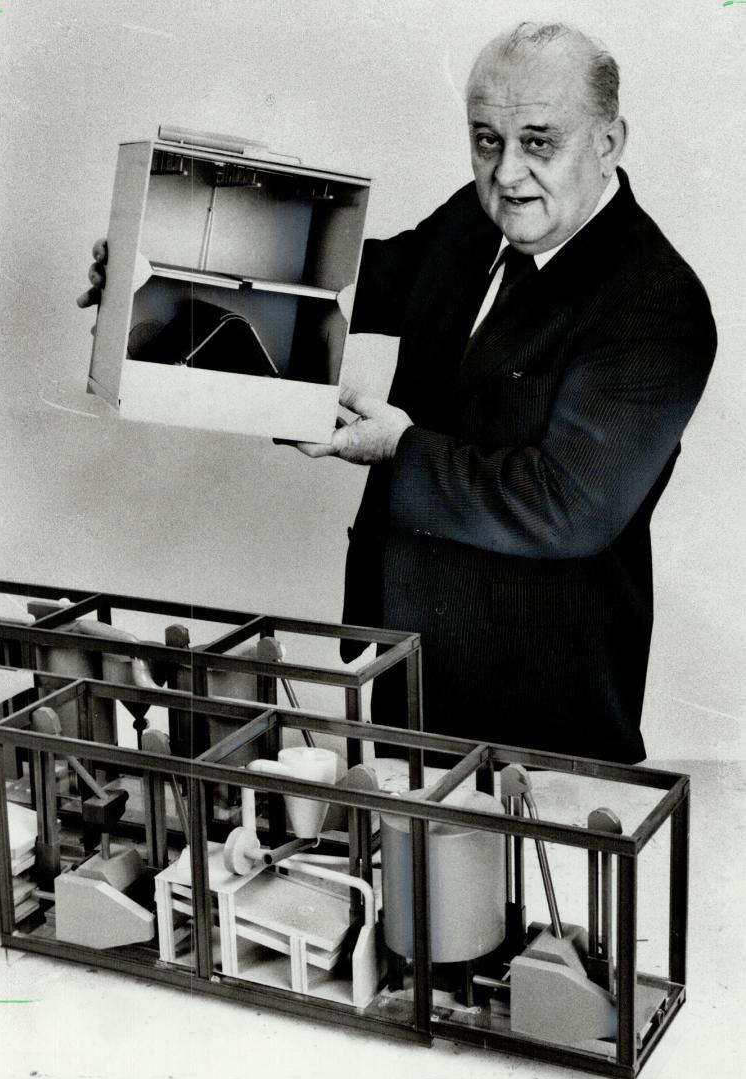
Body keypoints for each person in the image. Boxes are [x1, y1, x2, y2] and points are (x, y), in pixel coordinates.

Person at [80, 22, 717, 764]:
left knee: (505, 876)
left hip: (539, 697)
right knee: (401, 862)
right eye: (485, 140)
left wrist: (396, 449)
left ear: (608, 142)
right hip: (411, 654)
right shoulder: (476, 221)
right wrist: (155, 269)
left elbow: (565, 507)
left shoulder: (655, 302)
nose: (506, 175)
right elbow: (356, 281)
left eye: (539, 142)